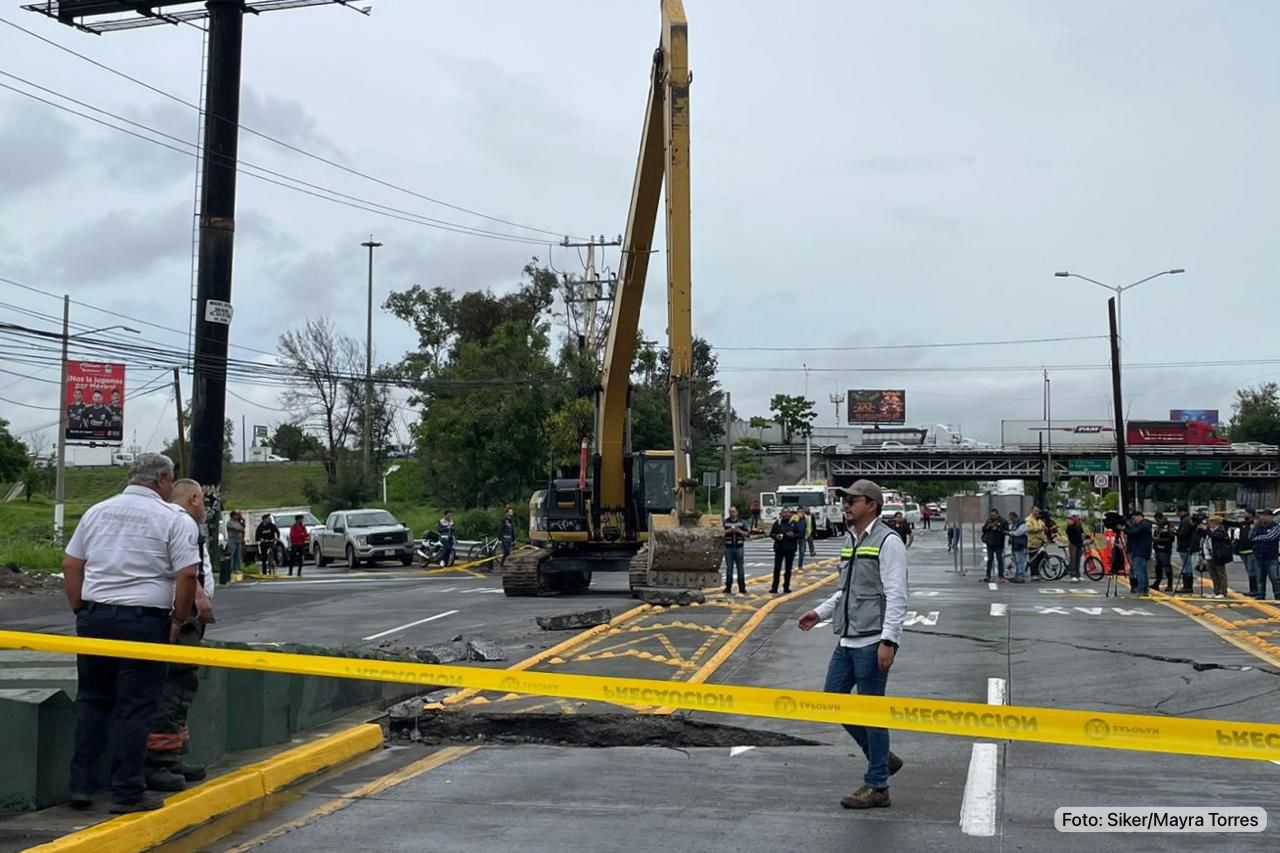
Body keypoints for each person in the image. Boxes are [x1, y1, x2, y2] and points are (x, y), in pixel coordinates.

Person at [60, 453, 200, 813]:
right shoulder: (173, 518)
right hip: (144, 621)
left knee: (93, 702)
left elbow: (71, 564)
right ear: (163, 481)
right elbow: (186, 575)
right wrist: (177, 619)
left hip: (94, 619)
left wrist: (80, 608)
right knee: (134, 708)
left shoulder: (97, 512)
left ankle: (81, 786)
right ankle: (126, 792)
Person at [797, 479, 907, 810]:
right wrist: (819, 612)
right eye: (845, 501)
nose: (846, 506)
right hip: (847, 638)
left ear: (871, 504)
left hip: (872, 639)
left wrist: (889, 640)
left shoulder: (889, 541)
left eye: (852, 501)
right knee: (834, 699)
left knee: (871, 713)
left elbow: (896, 595)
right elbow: (846, 591)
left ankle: (877, 785)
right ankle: (880, 758)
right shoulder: (852, 539)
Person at [145, 479, 216, 793]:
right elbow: (184, 571)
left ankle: (172, 757)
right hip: (181, 619)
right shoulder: (179, 522)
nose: (205, 507)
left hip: (187, 619)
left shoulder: (176, 522)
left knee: (182, 691)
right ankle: (158, 763)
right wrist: (197, 599)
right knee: (171, 691)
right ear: (193, 498)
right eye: (202, 500)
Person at [1251, 508, 1280, 600]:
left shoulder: (1276, 527)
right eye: (1262, 516)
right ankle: (1260, 595)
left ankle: (1278, 596)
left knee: (1275, 579)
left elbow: (1270, 537)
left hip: (1271, 557)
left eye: (1265, 516)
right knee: (1260, 579)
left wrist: (1257, 538)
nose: (1263, 517)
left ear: (1271, 517)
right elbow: (1250, 537)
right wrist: (1254, 527)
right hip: (1259, 556)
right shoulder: (1258, 527)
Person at [1202, 514, 1233, 598]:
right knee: (1213, 574)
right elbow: (1203, 535)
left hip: (1218, 556)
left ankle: (1223, 592)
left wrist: (1207, 530)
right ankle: (1216, 591)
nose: (1209, 523)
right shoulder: (1211, 530)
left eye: (1211, 522)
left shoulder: (1221, 531)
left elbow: (1215, 537)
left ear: (1217, 523)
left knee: (1221, 574)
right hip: (1209, 555)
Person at [770, 508, 799, 594]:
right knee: (777, 568)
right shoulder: (778, 523)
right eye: (784, 513)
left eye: (787, 512)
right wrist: (777, 536)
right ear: (781, 514)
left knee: (788, 569)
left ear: (790, 514)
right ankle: (774, 587)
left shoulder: (794, 523)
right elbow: (771, 534)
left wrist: (793, 535)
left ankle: (786, 586)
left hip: (790, 549)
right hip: (779, 548)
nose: (786, 514)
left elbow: (800, 534)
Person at [1125, 509, 1153, 596]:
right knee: (1142, 570)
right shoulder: (1145, 524)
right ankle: (1144, 588)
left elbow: (1134, 532)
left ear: (1139, 516)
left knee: (1139, 570)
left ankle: (1141, 589)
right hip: (1141, 550)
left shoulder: (1143, 525)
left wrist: (1124, 528)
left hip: (1140, 551)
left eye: (1134, 518)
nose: (1134, 521)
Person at [722, 505, 749, 594]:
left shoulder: (742, 522)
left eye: (733, 511)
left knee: (740, 569)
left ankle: (742, 588)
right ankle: (728, 587)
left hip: (739, 547)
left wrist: (739, 531)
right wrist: (728, 531)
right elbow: (719, 533)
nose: (732, 513)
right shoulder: (725, 522)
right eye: (730, 511)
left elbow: (747, 534)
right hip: (728, 548)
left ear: (737, 512)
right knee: (729, 569)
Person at [1174, 505, 1197, 595]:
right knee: (1187, 566)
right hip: (1186, 546)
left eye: (1177, 511)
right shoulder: (1187, 520)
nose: (1176, 513)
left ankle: (1187, 586)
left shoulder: (1186, 521)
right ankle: (1187, 586)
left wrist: (1175, 532)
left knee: (1187, 566)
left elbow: (1183, 533)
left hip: (1185, 546)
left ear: (1181, 511)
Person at [981, 509, 1008, 582]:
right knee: (990, 559)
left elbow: (1006, 531)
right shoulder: (989, 520)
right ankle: (988, 575)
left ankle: (1001, 576)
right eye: (991, 515)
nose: (992, 517)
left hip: (999, 543)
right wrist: (987, 527)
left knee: (999, 559)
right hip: (990, 543)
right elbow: (983, 529)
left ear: (997, 514)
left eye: (994, 515)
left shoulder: (1003, 521)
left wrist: (998, 529)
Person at [1151, 512, 1175, 593]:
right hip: (1157, 549)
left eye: (1158, 520)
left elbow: (1171, 539)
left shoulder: (1169, 526)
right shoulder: (1158, 527)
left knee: (1167, 566)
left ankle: (1170, 584)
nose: (1157, 522)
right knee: (1158, 567)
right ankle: (1157, 583)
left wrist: (1159, 540)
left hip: (1165, 549)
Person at [1236, 509, 1257, 597]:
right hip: (1243, 551)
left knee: (1252, 570)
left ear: (1251, 514)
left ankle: (1254, 590)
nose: (1244, 514)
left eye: (1246, 513)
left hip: (1251, 551)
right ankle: (1252, 590)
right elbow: (1232, 523)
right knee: (1249, 571)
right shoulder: (1243, 524)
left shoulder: (1255, 524)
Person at [1065, 512, 1088, 584]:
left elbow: (1082, 532)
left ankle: (1078, 574)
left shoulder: (1079, 524)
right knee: (1073, 559)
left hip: (1079, 543)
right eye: (1074, 516)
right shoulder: (1071, 525)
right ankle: (1073, 575)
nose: (1076, 518)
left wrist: (1086, 536)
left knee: (1078, 559)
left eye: (1077, 516)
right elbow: (1068, 532)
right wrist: (1071, 525)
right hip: (1073, 543)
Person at [1026, 509, 1049, 580]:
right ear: (1032, 511)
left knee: (1041, 558)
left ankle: (1039, 573)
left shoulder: (1038, 520)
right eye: (1035, 511)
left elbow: (1044, 526)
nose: (1037, 512)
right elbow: (1029, 529)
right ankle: (1033, 574)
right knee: (1033, 559)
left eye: (1038, 511)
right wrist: (1040, 528)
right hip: (1033, 542)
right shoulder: (1029, 519)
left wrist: (1045, 528)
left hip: (1040, 542)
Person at [1008, 512, 1028, 583]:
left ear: (1015, 517)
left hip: (1019, 543)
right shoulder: (1015, 523)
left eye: (1012, 518)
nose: (1011, 520)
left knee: (1020, 560)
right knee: (1016, 560)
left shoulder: (1021, 523)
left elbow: (1019, 532)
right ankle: (1017, 575)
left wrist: (1011, 533)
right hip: (1015, 543)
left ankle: (1021, 575)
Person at [225, 510, 244, 584]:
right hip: (232, 540)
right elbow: (238, 529)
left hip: (238, 540)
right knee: (232, 555)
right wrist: (239, 529)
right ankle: (231, 569)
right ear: (232, 516)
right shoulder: (229, 523)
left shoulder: (237, 522)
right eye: (235, 515)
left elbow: (242, 528)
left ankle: (237, 569)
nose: (237, 516)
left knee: (238, 555)